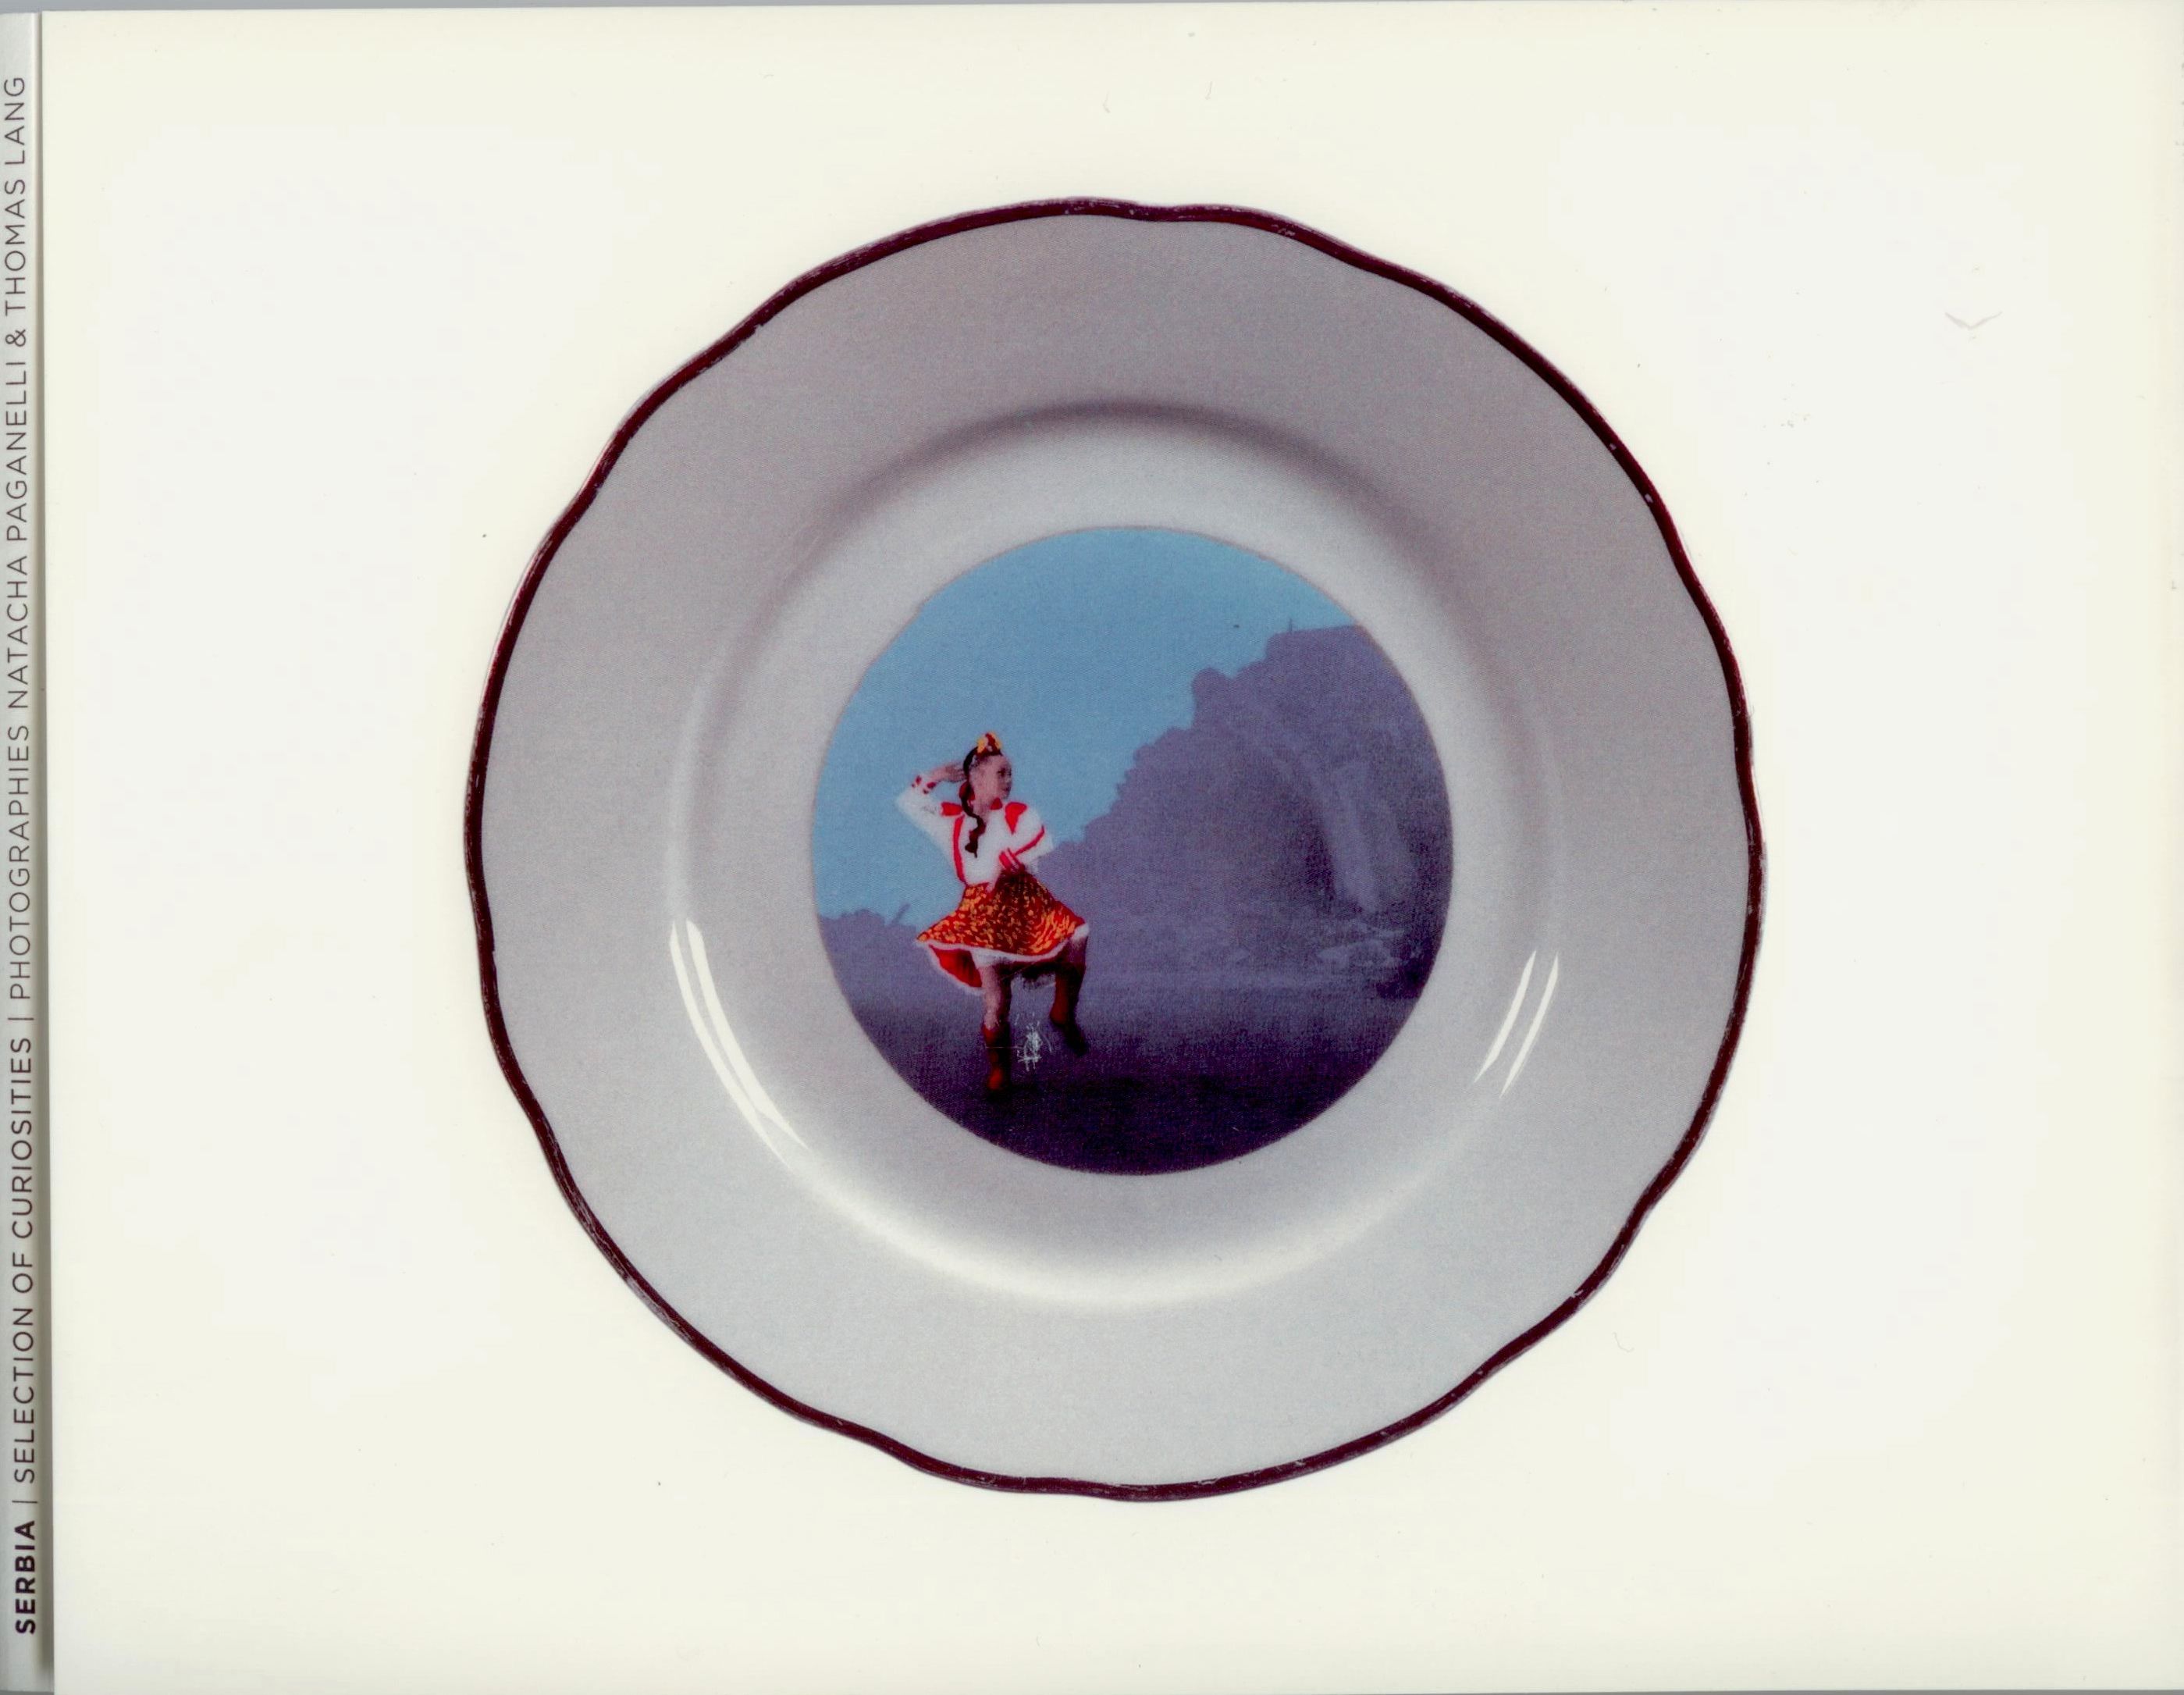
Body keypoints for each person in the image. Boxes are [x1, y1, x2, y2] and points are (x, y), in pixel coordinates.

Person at [897, 732, 1090, 1095]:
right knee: (997, 1001)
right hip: (984, 915)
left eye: (1010, 773)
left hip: (1027, 905)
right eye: (1001, 773)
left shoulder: (1017, 814)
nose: (1008, 780)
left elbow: (1038, 837)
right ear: (977, 777)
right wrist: (935, 776)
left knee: (1077, 936)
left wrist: (1007, 861)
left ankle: (1063, 1011)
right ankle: (999, 1071)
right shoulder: (951, 821)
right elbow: (909, 803)